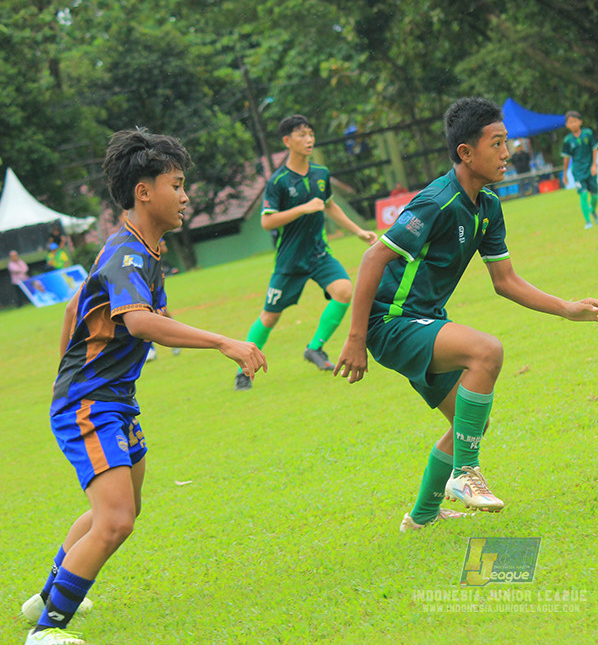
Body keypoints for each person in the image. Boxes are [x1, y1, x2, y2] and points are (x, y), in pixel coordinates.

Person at [20, 128, 266, 645]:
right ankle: (47, 631)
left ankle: (47, 596)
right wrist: (224, 342)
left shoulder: (141, 250)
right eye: (177, 185)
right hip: (90, 404)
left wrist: (68, 371)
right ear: (144, 191)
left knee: (120, 510)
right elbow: (140, 322)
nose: (185, 196)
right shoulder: (127, 255)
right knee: (115, 521)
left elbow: (76, 307)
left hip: (112, 401)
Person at [333, 97, 598, 532]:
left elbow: (505, 280)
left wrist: (567, 308)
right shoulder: (437, 201)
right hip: (391, 322)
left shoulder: (487, 206)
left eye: (506, 142)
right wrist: (355, 338)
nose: (507, 153)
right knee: (486, 352)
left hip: (425, 319)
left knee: (470, 422)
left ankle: (422, 517)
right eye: (497, 144)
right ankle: (465, 474)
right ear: (466, 152)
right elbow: (373, 258)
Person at [233, 114, 377, 391]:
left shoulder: (321, 173)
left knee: (344, 291)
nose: (309, 139)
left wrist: (358, 231)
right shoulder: (278, 181)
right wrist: (302, 208)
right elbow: (267, 221)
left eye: (310, 133)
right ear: (287, 141)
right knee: (270, 316)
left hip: (319, 254)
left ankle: (315, 348)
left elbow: (330, 205)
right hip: (290, 261)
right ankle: (243, 371)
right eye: (302, 135)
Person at [561, 110, 598, 229]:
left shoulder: (588, 133)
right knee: (583, 194)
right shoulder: (567, 140)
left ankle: (592, 210)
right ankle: (588, 221)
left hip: (590, 169)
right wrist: (565, 174)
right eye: (570, 122)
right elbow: (566, 159)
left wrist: (594, 165)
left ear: (580, 122)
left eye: (575, 121)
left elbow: (595, 149)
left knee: (595, 196)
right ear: (567, 125)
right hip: (578, 172)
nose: (573, 124)